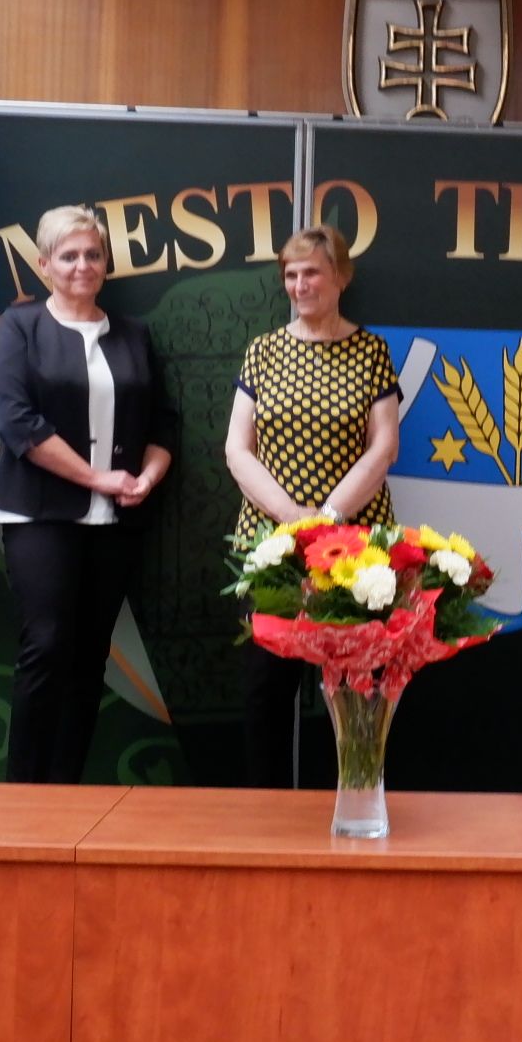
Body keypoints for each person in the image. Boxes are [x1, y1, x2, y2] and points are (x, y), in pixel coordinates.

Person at [0, 204, 175, 784]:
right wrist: (98, 479)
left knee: (91, 656)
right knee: (47, 645)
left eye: (93, 254)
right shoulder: (20, 328)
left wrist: (146, 478)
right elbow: (16, 423)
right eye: (68, 256)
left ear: (106, 263)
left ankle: (65, 792)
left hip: (117, 520)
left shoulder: (134, 334)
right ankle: (24, 794)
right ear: (44, 265)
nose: (82, 265)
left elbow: (163, 426)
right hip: (39, 513)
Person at [223, 226, 400, 786]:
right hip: (271, 548)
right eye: (291, 275)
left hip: (356, 551)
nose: (300, 285)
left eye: (312, 273)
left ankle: (356, 806)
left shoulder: (372, 351)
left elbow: (383, 447)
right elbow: (236, 449)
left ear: (341, 277)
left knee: (357, 690)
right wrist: (292, 518)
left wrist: (329, 518)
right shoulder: (263, 351)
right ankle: (267, 813)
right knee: (265, 688)